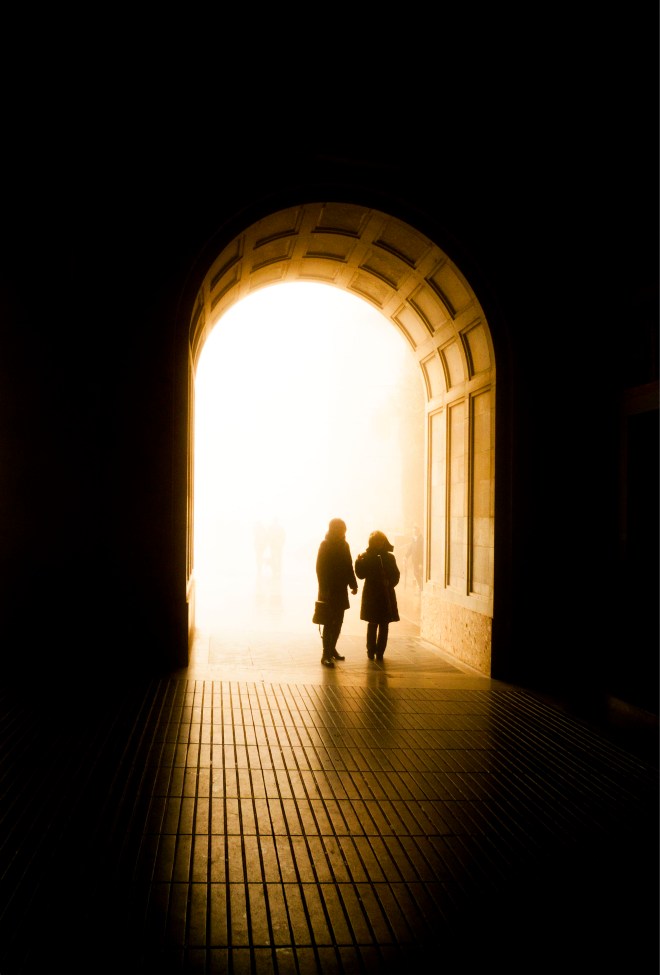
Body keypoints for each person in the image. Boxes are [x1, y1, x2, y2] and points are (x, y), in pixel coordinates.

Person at [315, 518, 358, 667]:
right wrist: (324, 589)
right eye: (340, 530)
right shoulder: (325, 545)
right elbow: (319, 568)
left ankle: (332, 648)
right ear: (334, 530)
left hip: (340, 590)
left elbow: (348, 565)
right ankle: (325, 654)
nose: (342, 533)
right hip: (328, 591)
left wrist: (353, 584)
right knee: (328, 622)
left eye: (343, 530)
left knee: (338, 622)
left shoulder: (344, 545)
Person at [355, 530, 400, 660]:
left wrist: (390, 582)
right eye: (377, 541)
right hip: (372, 595)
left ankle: (380, 652)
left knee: (384, 625)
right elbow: (361, 575)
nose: (379, 543)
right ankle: (370, 650)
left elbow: (396, 575)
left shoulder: (390, 557)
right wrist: (358, 562)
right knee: (373, 623)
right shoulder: (367, 556)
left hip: (386, 595)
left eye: (381, 540)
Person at [407, 524, 423, 590]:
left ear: (418, 531)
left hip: (419, 560)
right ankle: (419, 586)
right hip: (415, 560)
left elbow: (422, 552)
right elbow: (411, 548)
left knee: (418, 574)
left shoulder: (421, 539)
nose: (414, 533)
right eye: (413, 532)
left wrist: (421, 563)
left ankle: (420, 586)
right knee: (416, 573)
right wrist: (406, 556)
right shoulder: (413, 539)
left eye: (415, 532)